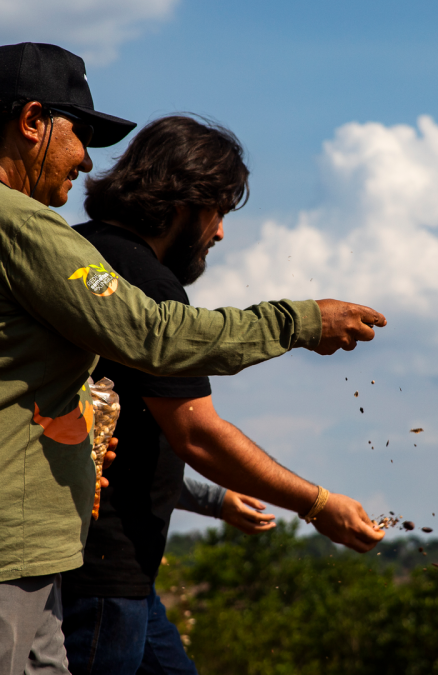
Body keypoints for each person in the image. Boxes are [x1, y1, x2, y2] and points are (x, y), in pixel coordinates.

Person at [0, 42, 385, 674]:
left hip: (54, 554)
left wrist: (206, 499)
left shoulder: (73, 244)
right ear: (33, 121)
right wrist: (302, 319)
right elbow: (159, 347)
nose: (86, 157)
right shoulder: (29, 229)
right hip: (51, 560)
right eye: (81, 132)